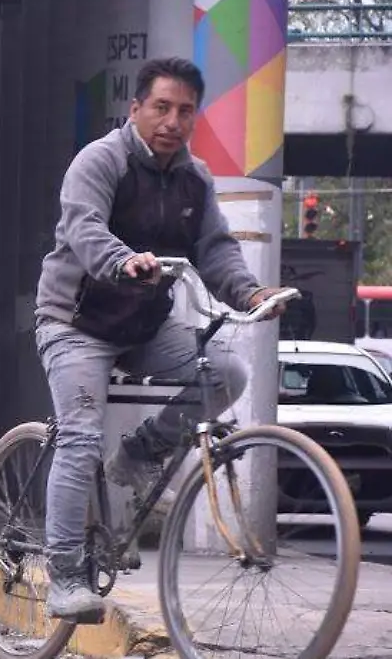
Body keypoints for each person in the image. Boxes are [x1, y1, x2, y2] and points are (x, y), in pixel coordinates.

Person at [33, 57, 292, 620]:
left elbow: (216, 249)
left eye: (185, 111)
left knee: (227, 372)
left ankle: (140, 452)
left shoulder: (194, 179)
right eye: (161, 107)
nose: (172, 121)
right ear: (135, 109)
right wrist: (122, 261)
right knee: (79, 438)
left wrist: (249, 294)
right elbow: (83, 228)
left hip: (145, 327)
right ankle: (64, 575)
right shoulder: (101, 161)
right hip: (75, 323)